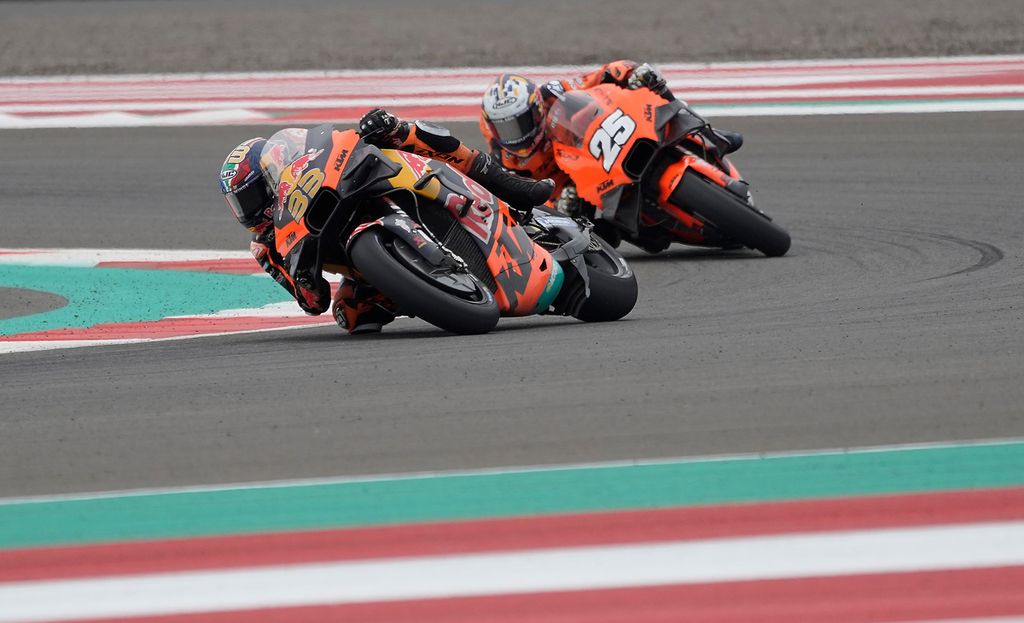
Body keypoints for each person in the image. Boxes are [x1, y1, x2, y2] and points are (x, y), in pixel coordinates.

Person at [219, 117, 553, 334]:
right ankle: (428, 288)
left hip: (390, 183)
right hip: (363, 264)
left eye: (250, 198)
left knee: (402, 132)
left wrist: (381, 127)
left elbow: (329, 147)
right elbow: (312, 302)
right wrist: (306, 279)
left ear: (272, 173)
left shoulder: (298, 165)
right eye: (240, 206)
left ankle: (509, 185)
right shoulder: (267, 247)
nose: (248, 212)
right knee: (350, 316)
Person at [477, 60, 744, 214]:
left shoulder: (553, 94)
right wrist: (557, 204)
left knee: (656, 93)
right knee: (593, 230)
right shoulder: (503, 160)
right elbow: (523, 199)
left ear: (536, 109)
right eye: (506, 128)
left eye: (520, 122)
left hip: (603, 142)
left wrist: (633, 73)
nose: (517, 135)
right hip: (578, 189)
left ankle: (713, 137)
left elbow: (599, 77)